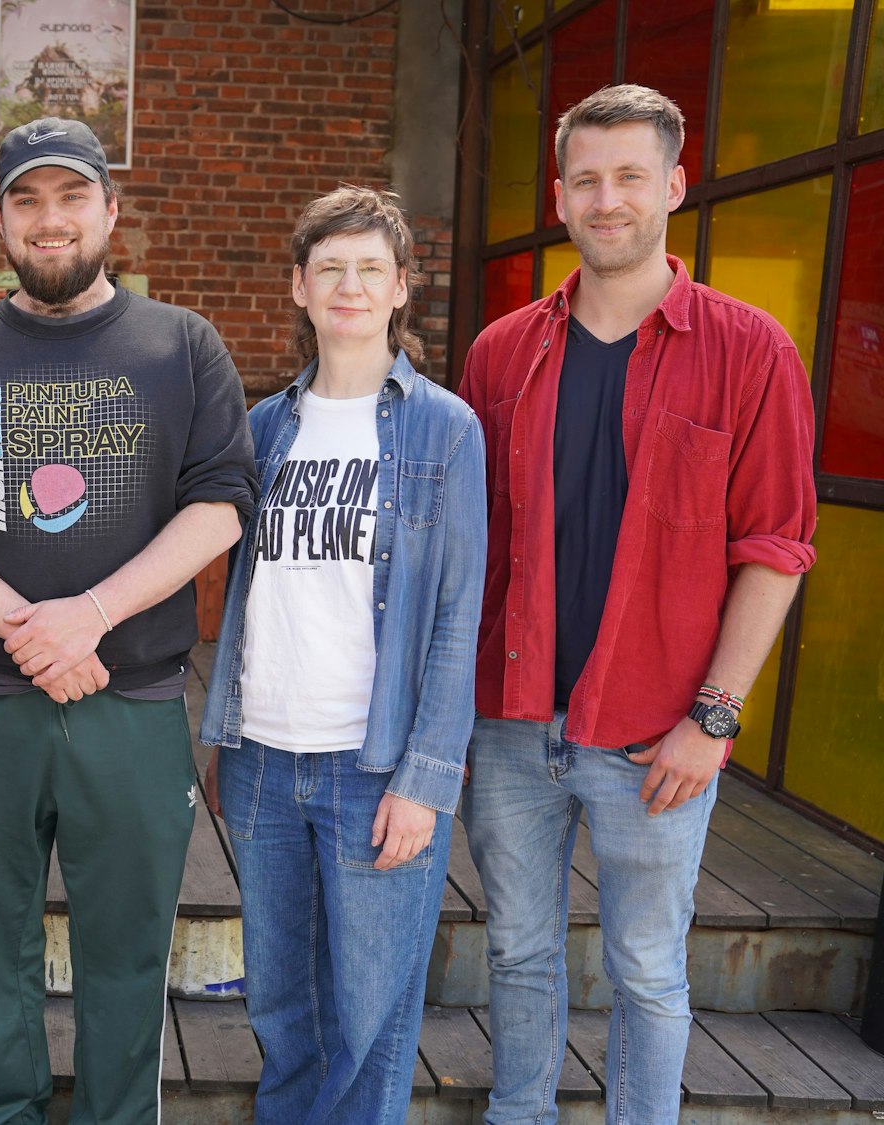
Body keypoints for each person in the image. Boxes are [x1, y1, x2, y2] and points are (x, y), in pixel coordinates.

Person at [0, 117, 258, 1125]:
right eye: (27, 200)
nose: (50, 220)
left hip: (130, 705)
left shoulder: (181, 346)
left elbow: (220, 506)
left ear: (110, 209)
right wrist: (31, 630)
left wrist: (89, 616)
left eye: (71, 196)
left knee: (127, 952)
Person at [459, 85, 816, 1124]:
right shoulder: (500, 352)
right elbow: (469, 549)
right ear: (558, 197)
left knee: (648, 970)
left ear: (673, 185)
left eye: (628, 176)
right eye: (585, 179)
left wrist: (713, 717)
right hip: (510, 723)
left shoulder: (749, 350)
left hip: (659, 734)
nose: (605, 199)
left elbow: (775, 549)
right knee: (517, 951)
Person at [198, 186, 485, 1122]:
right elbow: (248, 594)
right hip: (262, 758)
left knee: (370, 1020)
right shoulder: (265, 427)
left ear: (401, 287)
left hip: (375, 767)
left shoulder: (445, 429)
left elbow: (458, 615)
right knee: (283, 1009)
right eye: (331, 268)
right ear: (300, 287)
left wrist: (426, 777)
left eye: (370, 268)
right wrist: (224, 735)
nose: (350, 286)